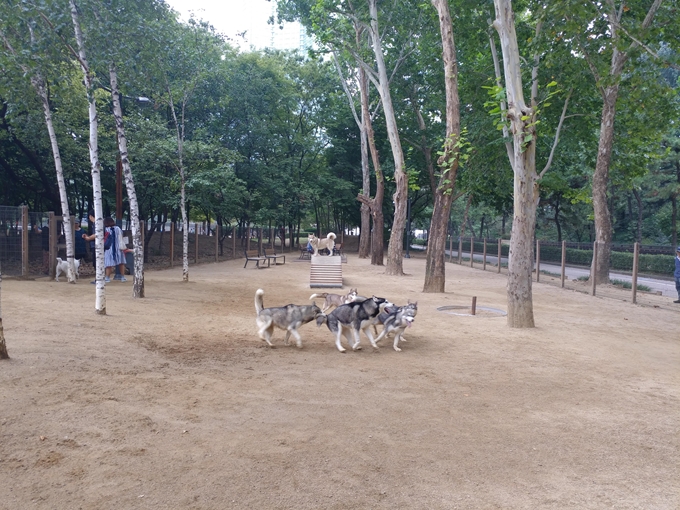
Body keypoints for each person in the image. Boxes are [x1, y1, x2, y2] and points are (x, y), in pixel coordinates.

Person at [104, 217, 127, 283]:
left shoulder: (105, 229)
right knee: (121, 263)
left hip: (109, 248)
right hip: (119, 248)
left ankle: (107, 277)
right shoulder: (118, 228)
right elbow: (121, 235)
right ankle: (122, 277)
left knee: (108, 264)